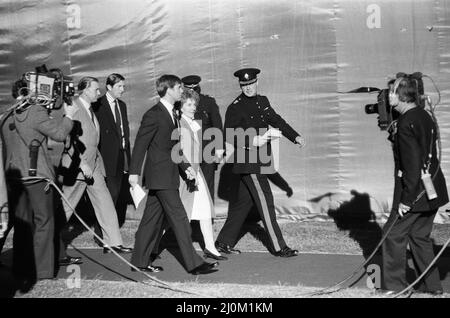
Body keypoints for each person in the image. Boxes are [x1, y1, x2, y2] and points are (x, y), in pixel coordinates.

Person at [128, 74, 218, 275]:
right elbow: (141, 144)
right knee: (179, 218)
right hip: (160, 177)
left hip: (168, 175)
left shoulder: (172, 114)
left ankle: (139, 262)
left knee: (150, 221)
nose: (181, 91)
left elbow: (174, 147)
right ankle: (194, 264)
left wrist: (185, 166)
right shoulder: (154, 114)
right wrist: (134, 172)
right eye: (178, 87)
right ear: (168, 90)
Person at [215, 67, 305, 257]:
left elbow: (276, 120)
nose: (248, 88)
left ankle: (222, 242)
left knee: (242, 205)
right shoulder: (235, 107)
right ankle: (279, 247)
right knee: (266, 202)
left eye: (251, 83)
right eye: (244, 85)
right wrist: (251, 141)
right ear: (240, 86)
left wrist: (294, 136)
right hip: (248, 162)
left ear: (257, 82)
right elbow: (229, 135)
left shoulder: (262, 101)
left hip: (260, 160)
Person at [379, 75, 448, 295]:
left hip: (415, 193)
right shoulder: (424, 116)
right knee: (419, 237)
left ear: (401, 95)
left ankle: (396, 288)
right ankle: (433, 287)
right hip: (433, 190)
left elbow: (412, 165)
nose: (387, 96)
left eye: (391, 92)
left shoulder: (406, 122)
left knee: (392, 235)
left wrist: (406, 201)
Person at [0, 88, 78, 281]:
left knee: (22, 225)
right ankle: (43, 271)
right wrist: (69, 116)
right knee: (44, 223)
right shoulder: (35, 111)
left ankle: (22, 267)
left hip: (14, 176)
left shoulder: (7, 114)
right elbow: (59, 134)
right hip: (36, 178)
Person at [59, 77, 132, 255]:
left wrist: (97, 165)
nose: (98, 93)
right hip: (78, 167)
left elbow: (93, 140)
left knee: (105, 202)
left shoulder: (90, 108)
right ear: (84, 90)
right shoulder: (74, 107)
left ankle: (113, 243)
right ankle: (51, 246)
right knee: (66, 208)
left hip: (94, 166)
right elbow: (69, 140)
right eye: (95, 90)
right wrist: (82, 164)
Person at [177, 89, 227, 261]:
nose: (193, 108)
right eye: (189, 105)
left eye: (194, 104)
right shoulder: (180, 124)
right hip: (185, 176)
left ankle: (210, 247)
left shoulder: (193, 123)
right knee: (175, 214)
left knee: (205, 209)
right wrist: (187, 170)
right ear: (181, 107)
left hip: (196, 173)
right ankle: (152, 246)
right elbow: (176, 151)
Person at [93, 73, 131, 245]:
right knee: (108, 196)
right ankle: (101, 234)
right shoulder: (98, 105)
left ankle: (107, 232)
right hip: (106, 158)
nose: (123, 90)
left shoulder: (121, 105)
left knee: (115, 194)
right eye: (119, 87)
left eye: (123, 86)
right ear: (109, 87)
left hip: (121, 156)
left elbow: (124, 132)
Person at [181, 75, 224, 201]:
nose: (193, 92)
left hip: (207, 150)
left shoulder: (208, 102)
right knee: (189, 183)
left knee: (207, 185)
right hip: (188, 151)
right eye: (189, 89)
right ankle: (191, 218)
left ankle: (208, 217)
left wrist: (219, 148)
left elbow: (217, 125)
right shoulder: (180, 104)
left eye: (195, 89)